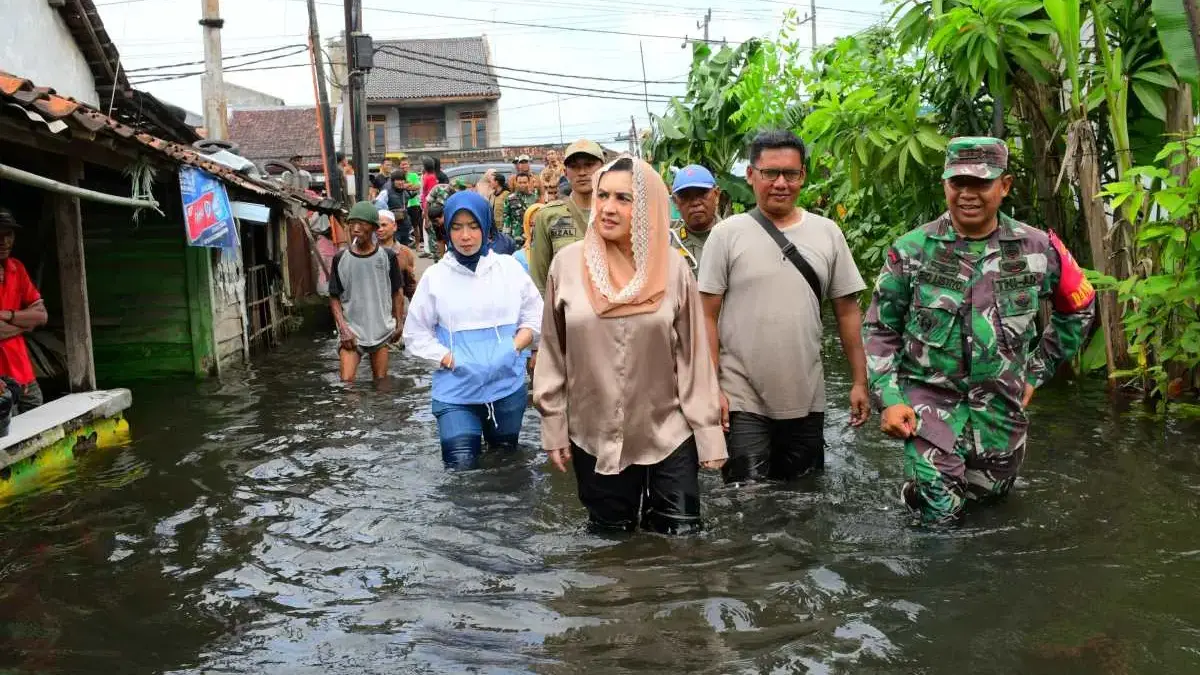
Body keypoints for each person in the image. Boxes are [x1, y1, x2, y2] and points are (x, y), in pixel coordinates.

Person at [863, 136, 1096, 525]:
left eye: (981, 184)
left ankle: (913, 496)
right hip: (929, 407)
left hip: (1000, 412)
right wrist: (889, 398)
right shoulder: (911, 250)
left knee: (990, 510)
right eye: (958, 184)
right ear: (945, 185)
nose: (968, 194)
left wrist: (1036, 371)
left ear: (1004, 186)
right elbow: (880, 328)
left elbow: (1080, 308)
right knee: (944, 520)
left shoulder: (1039, 249)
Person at [533, 156, 726, 534]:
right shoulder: (568, 266)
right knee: (611, 544)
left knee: (682, 542)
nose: (607, 208)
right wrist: (553, 424)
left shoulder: (673, 268)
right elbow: (553, 352)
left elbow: (693, 357)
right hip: (596, 434)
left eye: (624, 198)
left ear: (648, 206)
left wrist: (708, 432)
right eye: (603, 195)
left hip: (668, 430)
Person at [698, 129, 870, 484]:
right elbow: (706, 316)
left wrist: (859, 381)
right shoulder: (726, 235)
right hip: (741, 396)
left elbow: (848, 311)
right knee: (747, 503)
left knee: (805, 502)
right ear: (751, 175)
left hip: (807, 395)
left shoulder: (828, 233)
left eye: (790, 174)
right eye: (769, 173)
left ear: (802, 176)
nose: (780, 183)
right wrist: (711, 388)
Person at [402, 191, 543, 470]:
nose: (465, 236)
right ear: (447, 230)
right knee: (460, 466)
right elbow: (415, 335)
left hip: (506, 386)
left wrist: (513, 347)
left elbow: (536, 316)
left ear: (485, 227)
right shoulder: (435, 277)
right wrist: (448, 359)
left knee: (506, 463)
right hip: (456, 389)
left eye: (473, 226)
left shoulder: (509, 270)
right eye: (457, 227)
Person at [329, 202, 406, 382]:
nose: (356, 229)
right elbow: (334, 297)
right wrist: (343, 329)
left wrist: (399, 323)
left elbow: (397, 292)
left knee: (381, 383)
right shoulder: (341, 258)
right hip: (352, 331)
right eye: (352, 223)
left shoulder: (387, 257)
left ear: (373, 228)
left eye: (362, 224)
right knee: (347, 383)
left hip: (381, 330)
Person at [528, 139, 605, 295]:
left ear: (603, 169)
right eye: (574, 167)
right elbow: (539, 280)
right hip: (566, 310)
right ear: (565, 172)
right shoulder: (549, 216)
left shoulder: (617, 212)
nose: (582, 172)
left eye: (589, 165)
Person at [0, 209, 47, 413]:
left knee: (39, 422)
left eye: (8, 235)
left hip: (24, 373)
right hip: (1, 380)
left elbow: (42, 316)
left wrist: (8, 316)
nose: (4, 241)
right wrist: (26, 325)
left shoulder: (16, 268)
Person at [670, 164, 721, 275]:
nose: (695, 202)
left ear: (716, 195)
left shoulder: (733, 236)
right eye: (685, 196)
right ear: (675, 202)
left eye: (702, 193)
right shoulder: (669, 244)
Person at [375, 210, 417, 300]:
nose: (380, 229)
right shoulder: (369, 252)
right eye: (377, 226)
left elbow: (410, 286)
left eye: (384, 225)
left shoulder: (405, 252)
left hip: (398, 308)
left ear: (394, 226)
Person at [374, 169, 413, 245]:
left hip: (404, 226)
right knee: (393, 249)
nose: (401, 182)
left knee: (403, 249)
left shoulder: (404, 191)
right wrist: (390, 215)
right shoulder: (386, 192)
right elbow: (378, 208)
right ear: (393, 181)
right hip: (392, 228)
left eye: (402, 180)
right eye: (398, 180)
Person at [503, 173, 539, 244]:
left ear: (528, 183)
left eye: (524, 182)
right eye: (520, 182)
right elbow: (507, 219)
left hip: (532, 235)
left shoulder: (535, 197)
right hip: (516, 236)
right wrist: (506, 238)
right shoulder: (510, 198)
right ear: (516, 183)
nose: (522, 185)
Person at [398, 157, 424, 251]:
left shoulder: (413, 175)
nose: (404, 166)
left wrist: (405, 186)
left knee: (415, 225)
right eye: (402, 164)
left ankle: (417, 245)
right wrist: (408, 186)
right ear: (399, 166)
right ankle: (403, 246)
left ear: (409, 165)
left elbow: (417, 186)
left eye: (406, 164)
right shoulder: (398, 176)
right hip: (401, 204)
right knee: (401, 226)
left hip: (413, 203)